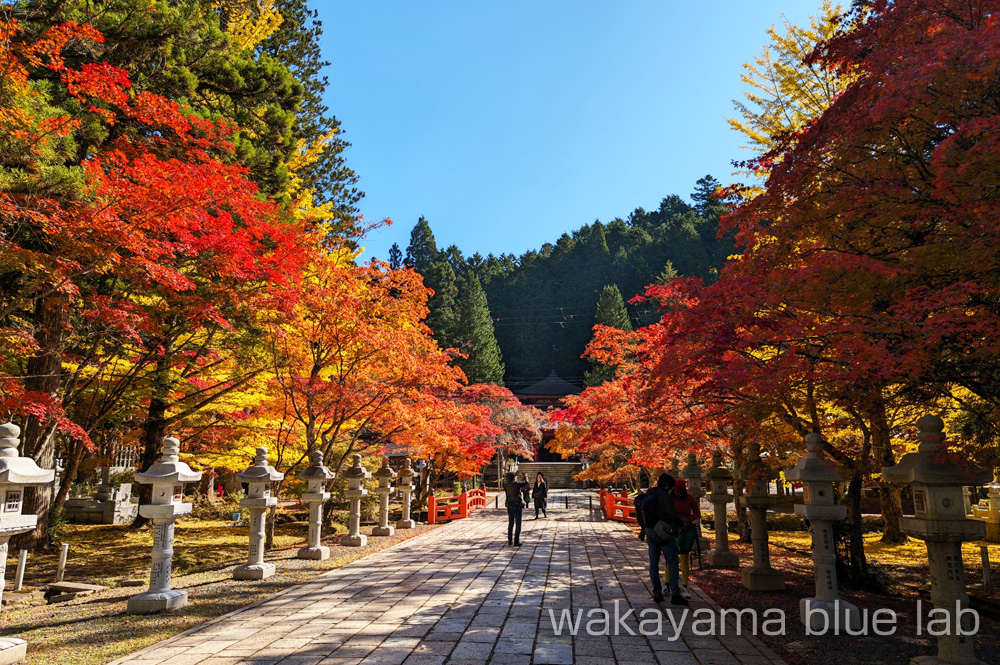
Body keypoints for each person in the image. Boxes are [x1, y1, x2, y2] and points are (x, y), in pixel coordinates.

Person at [636, 473, 687, 605]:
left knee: (654, 563)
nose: (671, 489)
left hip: (649, 530)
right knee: (672, 561)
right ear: (666, 485)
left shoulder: (650, 492)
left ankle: (657, 593)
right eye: (670, 486)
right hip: (662, 532)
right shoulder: (665, 497)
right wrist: (681, 525)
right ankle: (675, 594)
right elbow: (672, 516)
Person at [667, 478, 701, 599]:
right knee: (670, 558)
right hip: (672, 529)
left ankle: (685, 586)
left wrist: (688, 519)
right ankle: (667, 585)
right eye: (675, 491)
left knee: (684, 558)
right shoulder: (669, 498)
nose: (677, 493)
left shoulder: (690, 497)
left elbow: (697, 512)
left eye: (679, 491)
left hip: (686, 529)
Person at [504, 470, 528, 546]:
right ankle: (516, 541)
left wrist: (514, 475)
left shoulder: (506, 484)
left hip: (510, 505)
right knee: (518, 523)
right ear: (514, 478)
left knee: (510, 523)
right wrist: (525, 476)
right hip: (517, 506)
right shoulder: (516, 484)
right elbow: (526, 483)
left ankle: (510, 540)